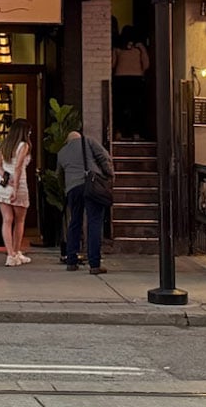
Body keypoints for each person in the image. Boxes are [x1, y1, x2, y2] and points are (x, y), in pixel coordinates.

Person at [57, 129, 114, 274]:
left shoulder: (62, 152)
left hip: (72, 189)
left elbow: (59, 175)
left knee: (74, 222)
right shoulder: (88, 141)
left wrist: (66, 189)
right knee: (94, 222)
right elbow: (104, 157)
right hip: (91, 185)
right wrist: (109, 174)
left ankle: (71, 261)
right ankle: (94, 264)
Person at [0, 119, 34, 266]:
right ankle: (16, 252)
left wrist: (4, 176)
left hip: (2, 185)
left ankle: (10, 255)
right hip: (19, 184)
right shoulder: (24, 145)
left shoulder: (4, 144)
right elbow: (18, 167)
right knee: (19, 220)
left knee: (7, 220)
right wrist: (15, 188)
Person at [111, 27, 150, 141]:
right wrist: (142, 49)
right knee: (136, 107)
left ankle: (119, 132)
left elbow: (112, 64)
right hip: (136, 80)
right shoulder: (138, 49)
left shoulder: (117, 49)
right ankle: (136, 133)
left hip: (120, 79)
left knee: (120, 107)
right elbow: (146, 64)